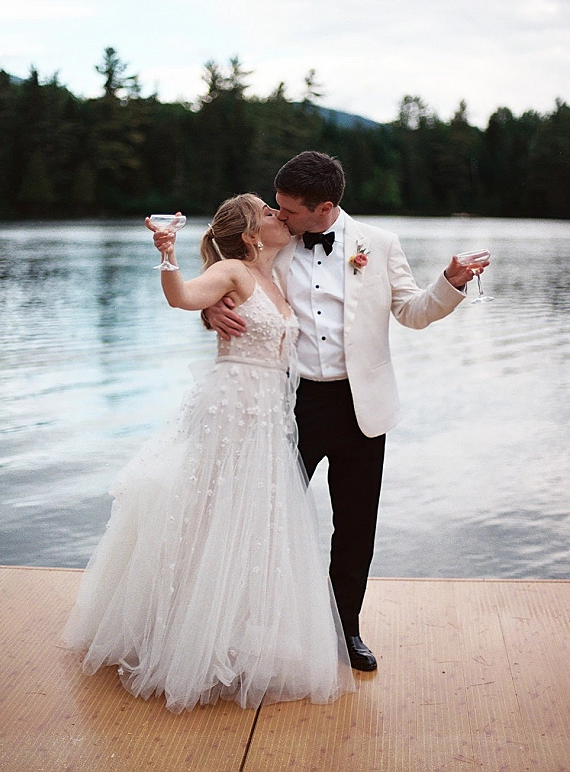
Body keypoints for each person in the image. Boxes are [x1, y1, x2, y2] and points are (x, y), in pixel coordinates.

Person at [62, 193, 355, 713]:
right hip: (232, 403)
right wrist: (167, 253)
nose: (278, 217)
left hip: (269, 414)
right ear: (248, 233)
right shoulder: (234, 273)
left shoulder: (278, 273)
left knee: (254, 519)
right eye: (268, 212)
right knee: (211, 510)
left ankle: (241, 631)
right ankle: (186, 635)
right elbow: (182, 297)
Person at [204, 151, 486, 672]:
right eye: (277, 208)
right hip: (288, 404)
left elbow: (412, 313)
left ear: (325, 207)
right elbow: (236, 276)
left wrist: (451, 283)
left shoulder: (379, 245)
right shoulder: (276, 242)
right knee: (268, 519)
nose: (278, 216)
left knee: (355, 527)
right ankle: (259, 627)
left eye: (288, 210)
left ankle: (346, 628)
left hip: (363, 408)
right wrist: (209, 305)